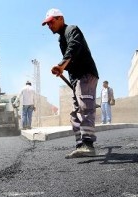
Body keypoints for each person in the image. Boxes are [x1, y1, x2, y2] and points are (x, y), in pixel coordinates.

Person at [42, 8, 99, 158]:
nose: (49, 26)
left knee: (85, 108)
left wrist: (61, 65)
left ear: (60, 18)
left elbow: (74, 46)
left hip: (85, 75)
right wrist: (63, 69)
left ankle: (88, 145)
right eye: (47, 24)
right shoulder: (62, 38)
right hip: (76, 79)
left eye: (51, 22)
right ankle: (81, 145)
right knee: (75, 113)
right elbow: (71, 57)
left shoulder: (71, 29)